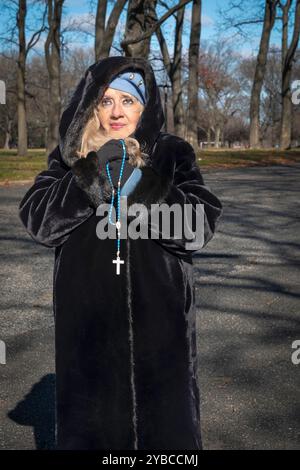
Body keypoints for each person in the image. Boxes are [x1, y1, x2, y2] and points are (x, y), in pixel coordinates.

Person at [18, 56, 223, 450]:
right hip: (88, 329)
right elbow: (39, 221)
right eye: (106, 100)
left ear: (144, 108)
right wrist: (92, 175)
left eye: (128, 101)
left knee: (165, 436)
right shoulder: (70, 157)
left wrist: (138, 184)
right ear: (91, 104)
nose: (116, 112)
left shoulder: (172, 153)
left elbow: (199, 225)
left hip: (161, 324)